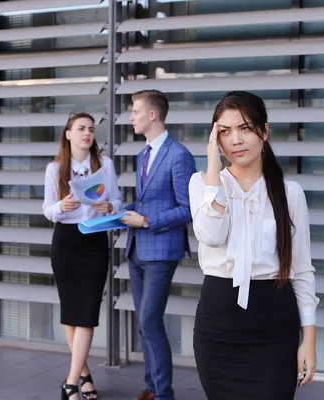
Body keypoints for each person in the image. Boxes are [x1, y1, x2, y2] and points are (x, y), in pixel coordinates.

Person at [188, 91, 319, 400]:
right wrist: (212, 169)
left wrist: (309, 339)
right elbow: (211, 235)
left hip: (273, 325)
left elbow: (301, 271)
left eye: (245, 128)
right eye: (225, 131)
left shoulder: (290, 194)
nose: (236, 139)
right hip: (217, 326)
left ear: (265, 131)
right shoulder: (201, 184)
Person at [119, 90, 196, 400]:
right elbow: (147, 200)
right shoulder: (143, 155)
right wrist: (119, 214)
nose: (131, 117)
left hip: (161, 250)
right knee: (144, 322)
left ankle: (164, 394)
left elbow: (188, 208)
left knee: (151, 320)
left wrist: (147, 221)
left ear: (152, 115)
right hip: (137, 249)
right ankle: (152, 388)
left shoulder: (179, 155)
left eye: (135, 111)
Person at [42, 112, 123, 400]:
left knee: (87, 314)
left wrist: (109, 208)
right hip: (66, 241)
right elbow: (47, 209)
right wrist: (61, 206)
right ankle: (84, 376)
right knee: (71, 314)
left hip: (94, 240)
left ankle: (70, 382)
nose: (87, 133)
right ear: (68, 134)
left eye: (90, 129)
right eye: (81, 129)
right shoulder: (55, 169)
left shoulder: (105, 164)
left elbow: (117, 199)